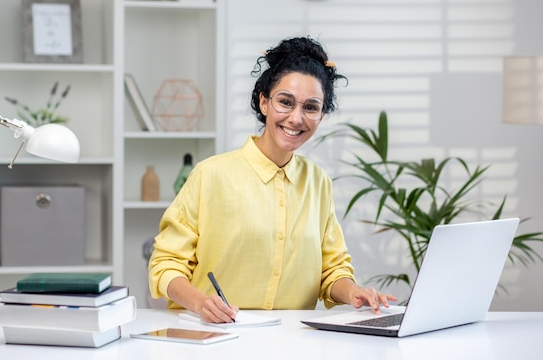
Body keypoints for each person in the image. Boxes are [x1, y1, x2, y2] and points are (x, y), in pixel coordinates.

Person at [148, 36, 396, 323]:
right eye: (285, 102)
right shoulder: (210, 175)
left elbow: (332, 270)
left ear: (321, 114)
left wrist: (353, 292)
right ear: (264, 102)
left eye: (311, 107)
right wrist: (201, 302)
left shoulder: (318, 183)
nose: (296, 118)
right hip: (214, 337)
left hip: (292, 342)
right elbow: (166, 264)